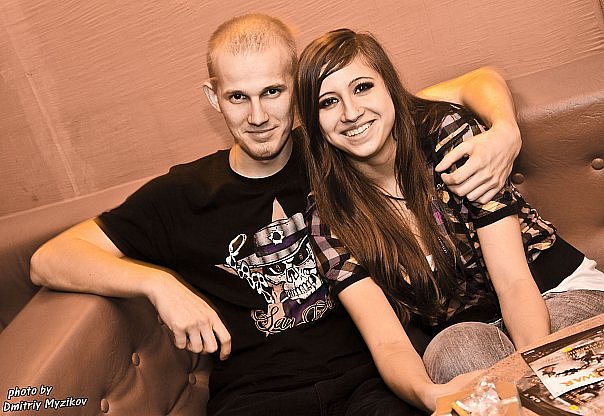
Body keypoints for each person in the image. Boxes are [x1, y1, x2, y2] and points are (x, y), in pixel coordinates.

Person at [30, 14, 522, 416]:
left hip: (370, 379)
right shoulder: (184, 193)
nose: (258, 117)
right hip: (257, 395)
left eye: (272, 92)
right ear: (213, 97)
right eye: (237, 97)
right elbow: (50, 259)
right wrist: (157, 285)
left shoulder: (338, 144)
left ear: (298, 93)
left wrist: (504, 129)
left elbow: (473, 83)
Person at [296, 28, 604, 412]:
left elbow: (513, 282)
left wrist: (538, 384)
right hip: (470, 330)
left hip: (552, 290)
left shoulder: (446, 136)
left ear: (389, 86)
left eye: (362, 87)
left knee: (556, 355)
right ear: (314, 121)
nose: (351, 112)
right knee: (450, 352)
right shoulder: (329, 216)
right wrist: (429, 395)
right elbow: (388, 343)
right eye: (328, 102)